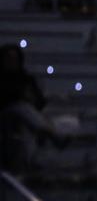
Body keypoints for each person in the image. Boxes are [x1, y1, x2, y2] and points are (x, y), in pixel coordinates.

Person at [0, 43, 69, 171]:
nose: (12, 62)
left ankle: (28, 162)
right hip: (6, 114)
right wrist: (20, 96)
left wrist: (32, 99)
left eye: (15, 58)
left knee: (27, 127)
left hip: (26, 118)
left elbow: (40, 101)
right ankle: (53, 134)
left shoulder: (26, 78)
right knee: (21, 107)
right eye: (8, 58)